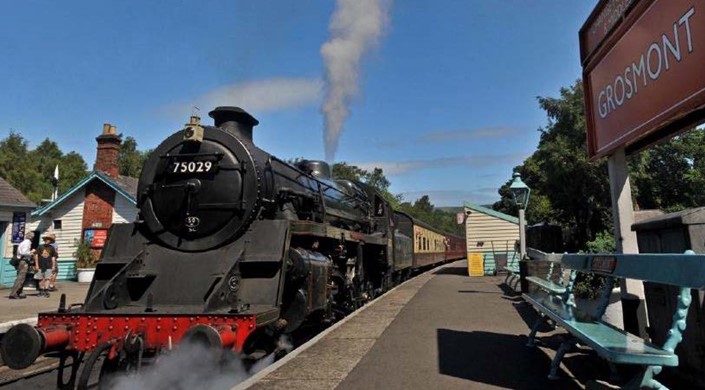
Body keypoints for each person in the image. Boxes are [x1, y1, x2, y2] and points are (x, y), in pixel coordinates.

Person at [8, 232, 35, 299]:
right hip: (23, 261)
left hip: (22, 261)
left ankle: (19, 292)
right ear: (31, 237)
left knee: (21, 277)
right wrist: (31, 252)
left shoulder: (23, 242)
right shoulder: (27, 243)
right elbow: (24, 252)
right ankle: (13, 294)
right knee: (21, 278)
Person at [34, 233, 57, 298]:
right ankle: (41, 290)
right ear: (44, 240)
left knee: (47, 278)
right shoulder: (40, 247)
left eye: (49, 240)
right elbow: (36, 255)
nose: (47, 240)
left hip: (48, 265)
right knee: (40, 278)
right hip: (40, 265)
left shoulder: (52, 248)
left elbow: (53, 257)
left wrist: (53, 266)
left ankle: (46, 290)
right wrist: (36, 265)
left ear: (50, 241)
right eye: (46, 239)